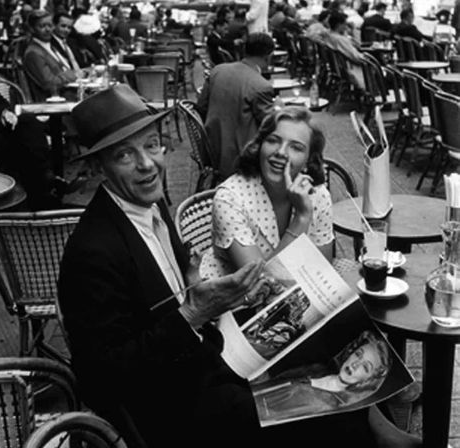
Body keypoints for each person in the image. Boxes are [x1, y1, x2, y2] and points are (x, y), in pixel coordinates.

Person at [58, 84, 387, 448]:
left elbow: (171, 291)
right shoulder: (93, 250)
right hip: (173, 406)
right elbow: (100, 379)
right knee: (324, 419)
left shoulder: (148, 206)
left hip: (206, 356)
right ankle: (371, 429)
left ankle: (374, 420)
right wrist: (192, 314)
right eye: (124, 155)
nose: (147, 164)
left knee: (331, 356)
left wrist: (194, 284)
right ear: (96, 166)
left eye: (152, 145)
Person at [200, 106, 334, 283]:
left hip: (295, 294)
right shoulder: (230, 199)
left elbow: (322, 268)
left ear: (308, 160)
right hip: (234, 301)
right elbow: (260, 283)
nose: (280, 152)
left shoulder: (317, 194)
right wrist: (301, 218)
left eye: (296, 147)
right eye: (273, 140)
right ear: (259, 146)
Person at [252, 330, 392, 422]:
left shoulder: (328, 405)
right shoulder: (320, 369)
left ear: (367, 381)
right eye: (357, 354)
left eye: (365, 367)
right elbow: (279, 381)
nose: (355, 364)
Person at [0, 77, 81, 209]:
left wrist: (4, 112)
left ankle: (46, 179)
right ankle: (44, 188)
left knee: (28, 123)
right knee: (19, 150)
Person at [197, 32, 275, 180]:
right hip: (242, 157)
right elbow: (272, 125)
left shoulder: (218, 70)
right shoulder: (260, 85)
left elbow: (201, 106)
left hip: (210, 149)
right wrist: (279, 108)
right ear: (268, 57)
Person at [23, 9, 77, 101]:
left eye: (50, 25)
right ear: (32, 29)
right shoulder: (33, 53)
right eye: (42, 26)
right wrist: (73, 75)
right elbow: (49, 83)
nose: (48, 30)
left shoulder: (50, 46)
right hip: (54, 101)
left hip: (67, 95)